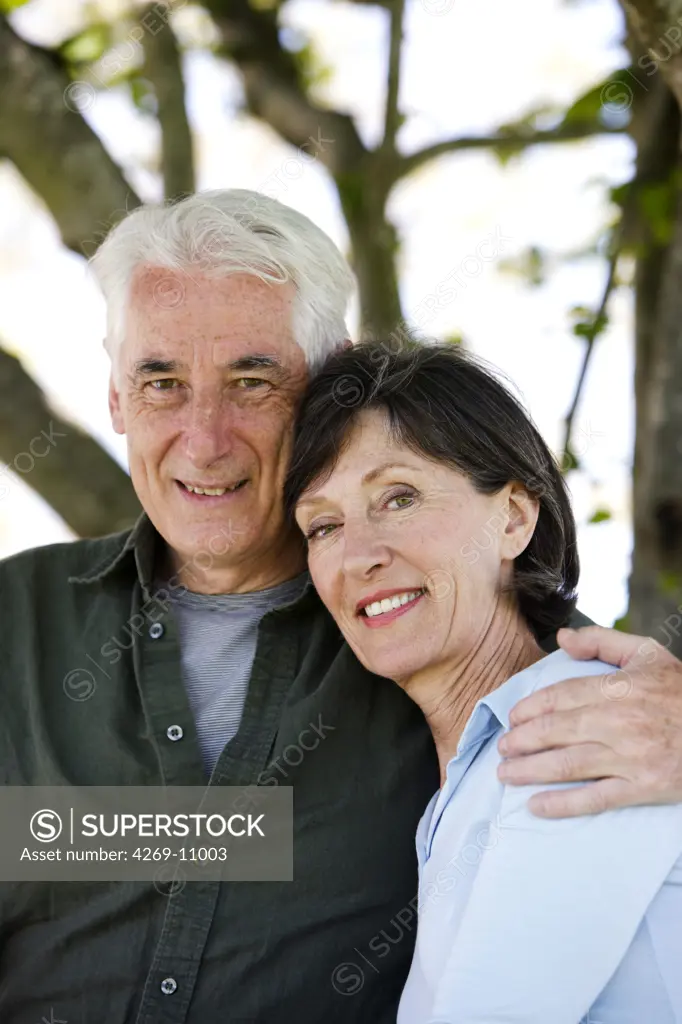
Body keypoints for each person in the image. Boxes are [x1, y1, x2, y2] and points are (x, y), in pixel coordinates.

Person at [0, 190, 681, 1024]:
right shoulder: (15, 619)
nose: (205, 436)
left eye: (252, 380)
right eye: (161, 381)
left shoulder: (430, 636)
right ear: (113, 395)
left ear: (329, 380)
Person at [286, 339, 682, 1023]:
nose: (359, 556)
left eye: (399, 497)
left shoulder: (585, 725)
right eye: (323, 526)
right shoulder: (464, 771)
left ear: (514, 518)